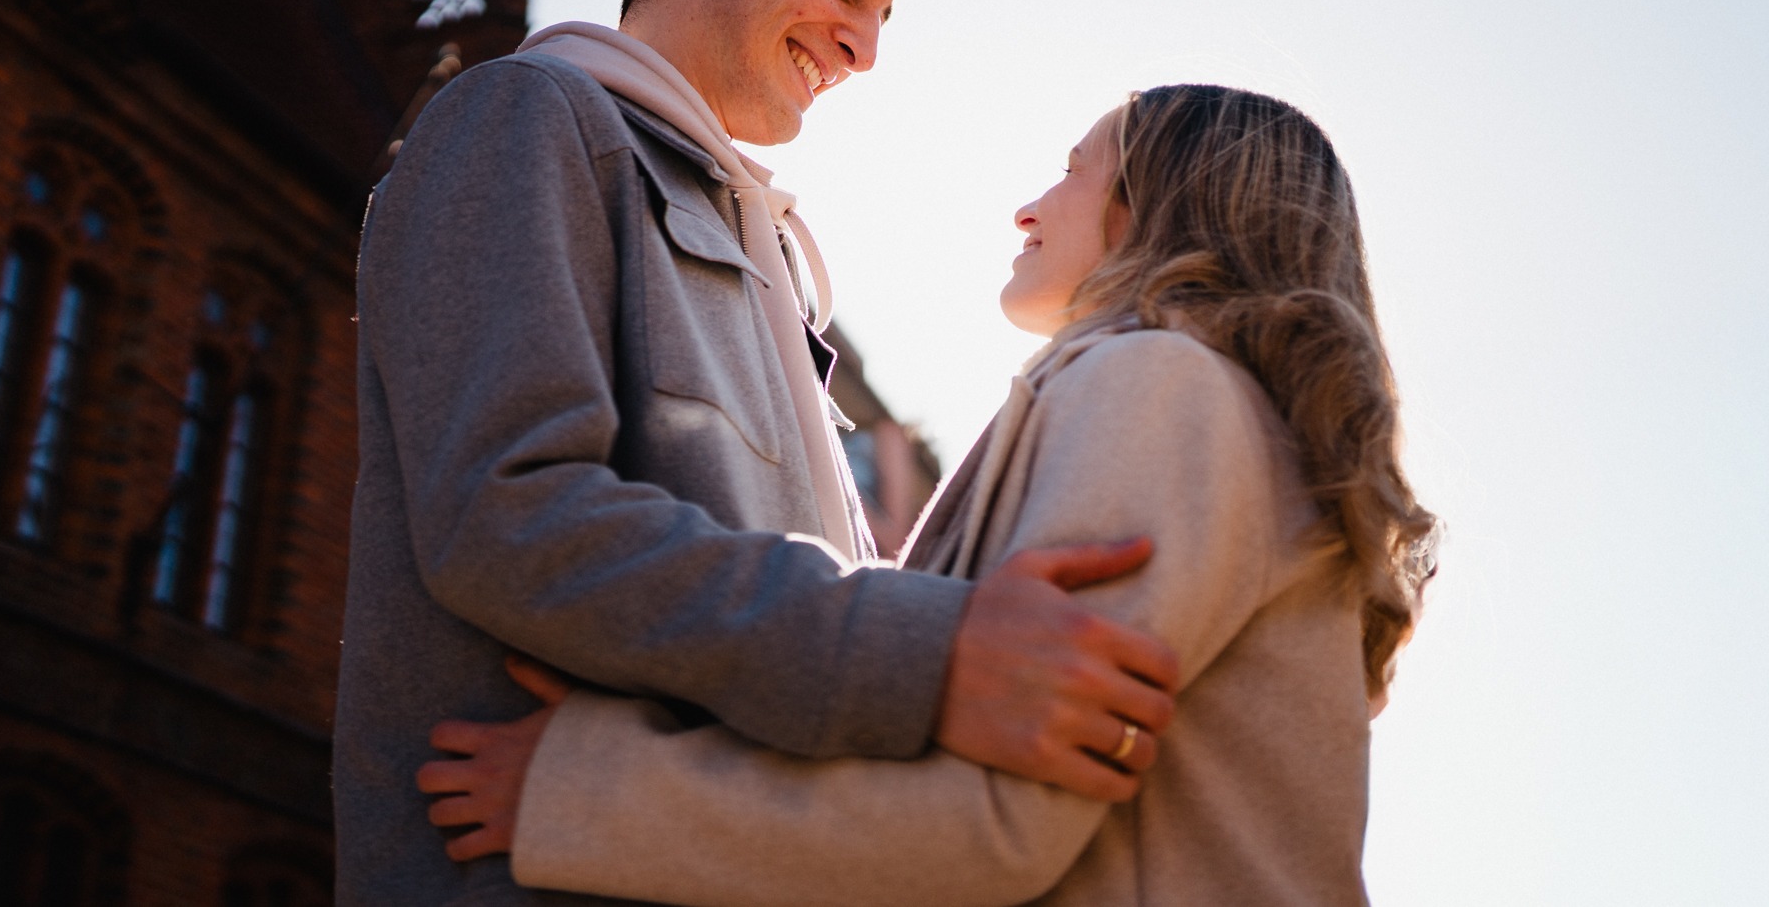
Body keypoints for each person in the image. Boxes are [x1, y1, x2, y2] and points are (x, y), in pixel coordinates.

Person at [335, 0, 1183, 906]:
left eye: (878, 15)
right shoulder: (524, 116)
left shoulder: (771, 251)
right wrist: (925, 655)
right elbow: (510, 517)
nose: (862, 45)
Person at [419, 85, 1440, 906]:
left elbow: (998, 817)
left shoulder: (1157, 384)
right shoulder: (1210, 409)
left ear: (1161, 202)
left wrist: (589, 792)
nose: (1030, 204)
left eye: (1078, 171)